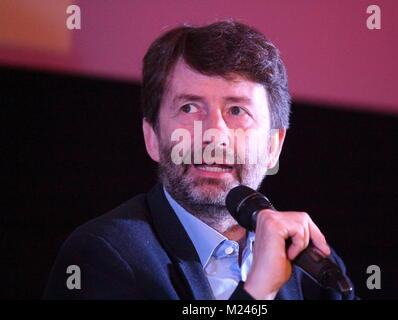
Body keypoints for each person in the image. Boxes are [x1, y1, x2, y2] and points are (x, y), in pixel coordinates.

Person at [43, 20, 355, 300]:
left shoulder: (312, 272)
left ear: (273, 144)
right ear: (152, 137)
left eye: (236, 111)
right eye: (190, 108)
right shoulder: (103, 254)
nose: (213, 134)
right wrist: (258, 292)